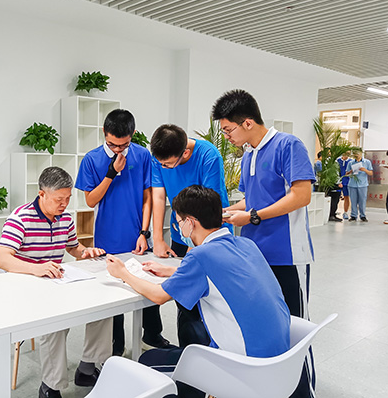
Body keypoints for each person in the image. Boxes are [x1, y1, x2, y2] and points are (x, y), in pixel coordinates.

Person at [106, 185, 290, 398]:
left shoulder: (200, 256)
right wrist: (172, 271)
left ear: (190, 223)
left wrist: (123, 273)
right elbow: (222, 274)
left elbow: (158, 296)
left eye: (179, 222)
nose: (178, 228)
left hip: (245, 367)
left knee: (148, 361)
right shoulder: (245, 244)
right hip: (281, 363)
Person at [212, 89, 316, 398]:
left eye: (228, 130)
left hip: (286, 254)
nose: (227, 136)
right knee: (267, 325)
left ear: (247, 122)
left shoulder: (288, 145)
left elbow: (302, 195)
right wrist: (226, 212)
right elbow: (251, 200)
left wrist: (253, 216)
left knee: (294, 326)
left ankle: (302, 390)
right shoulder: (249, 154)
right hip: (254, 255)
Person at [0, 166, 111, 398]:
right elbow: (1, 259)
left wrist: (86, 252)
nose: (64, 204)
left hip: (56, 282)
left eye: (68, 198)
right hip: (25, 287)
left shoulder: (65, 218)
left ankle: (87, 368)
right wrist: (36, 269)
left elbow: (73, 247)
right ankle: (51, 386)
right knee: (56, 322)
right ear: (42, 194)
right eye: (59, 199)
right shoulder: (20, 218)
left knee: (103, 306)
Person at [75, 109, 169, 356]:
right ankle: (116, 346)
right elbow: (90, 201)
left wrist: (144, 232)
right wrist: (111, 172)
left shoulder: (142, 155)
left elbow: (148, 196)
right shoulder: (91, 159)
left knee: (148, 284)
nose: (118, 149)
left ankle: (152, 336)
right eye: (112, 144)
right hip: (107, 237)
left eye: (123, 145)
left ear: (133, 134)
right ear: (104, 133)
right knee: (112, 294)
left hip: (137, 236)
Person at [149, 123, 230, 347]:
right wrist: (158, 239)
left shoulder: (208, 156)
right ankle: (188, 353)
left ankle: (211, 352)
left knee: (207, 300)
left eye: (168, 165)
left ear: (185, 153)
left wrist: (196, 249)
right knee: (184, 299)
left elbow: (208, 204)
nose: (164, 168)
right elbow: (159, 197)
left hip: (208, 236)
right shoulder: (160, 156)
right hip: (181, 233)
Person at [346, 150, 373, 222]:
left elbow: (371, 173)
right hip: (352, 184)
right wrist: (351, 171)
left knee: (362, 201)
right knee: (353, 201)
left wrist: (365, 170)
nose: (356, 155)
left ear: (361, 154)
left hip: (363, 185)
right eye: (355, 154)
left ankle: (363, 215)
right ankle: (353, 216)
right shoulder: (350, 163)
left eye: (357, 154)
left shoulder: (367, 162)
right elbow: (346, 174)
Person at [337, 151, 352, 220]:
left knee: (346, 197)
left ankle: (345, 212)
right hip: (338, 181)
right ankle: (334, 211)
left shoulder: (350, 161)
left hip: (347, 181)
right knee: (336, 197)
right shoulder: (338, 161)